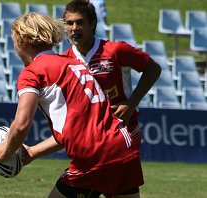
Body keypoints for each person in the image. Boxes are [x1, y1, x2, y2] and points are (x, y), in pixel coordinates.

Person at [0, 12, 152, 198]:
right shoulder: (73, 63)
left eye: (14, 42)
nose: (15, 48)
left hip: (94, 156)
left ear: (23, 41)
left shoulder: (32, 73)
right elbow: (74, 130)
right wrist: (31, 152)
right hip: (123, 146)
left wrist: (6, 149)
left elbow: (22, 124)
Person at [24, 1, 162, 197]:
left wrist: (131, 103)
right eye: (68, 23)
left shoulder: (115, 51)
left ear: (93, 24)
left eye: (79, 23)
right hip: (95, 143)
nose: (74, 29)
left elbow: (153, 69)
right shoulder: (64, 62)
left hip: (123, 133)